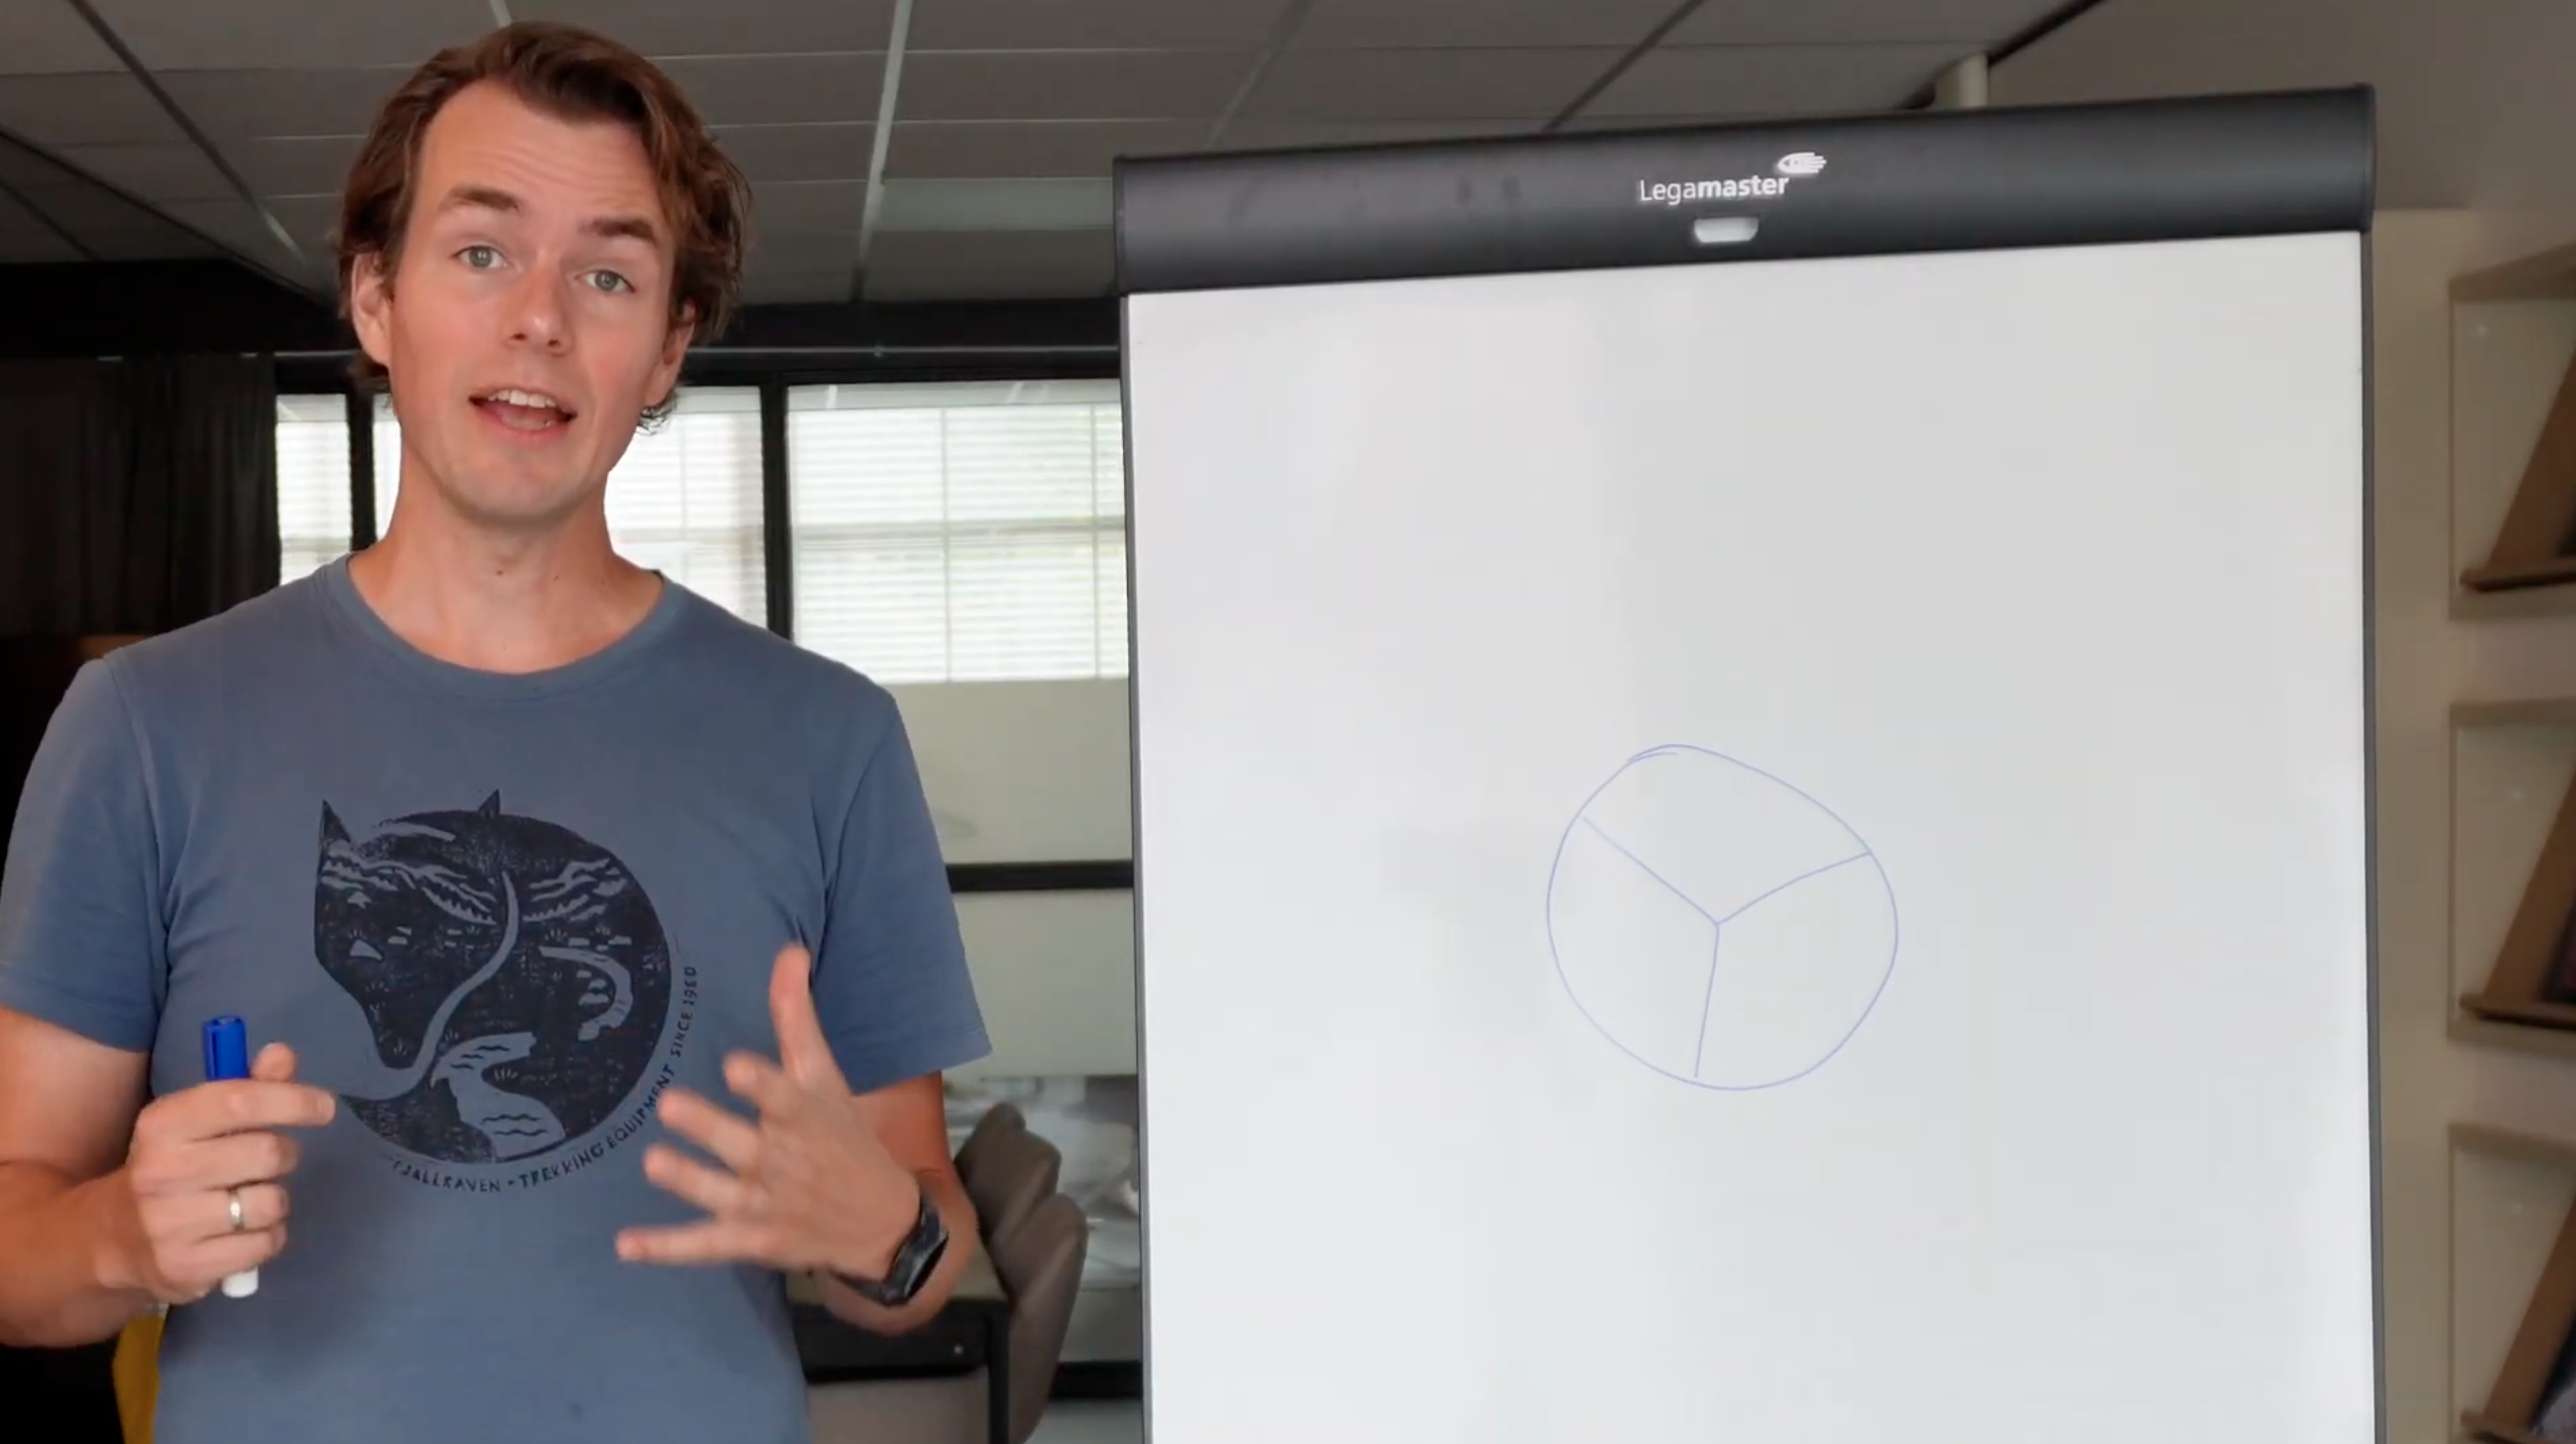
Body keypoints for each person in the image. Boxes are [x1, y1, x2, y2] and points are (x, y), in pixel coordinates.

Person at [0, 21, 990, 1443]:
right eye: (481, 251)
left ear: (667, 349)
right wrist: (120, 1236)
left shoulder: (827, 738)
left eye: (609, 273)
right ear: (375, 298)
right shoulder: (147, 727)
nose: (542, 319)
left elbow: (926, 1244)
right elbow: (17, 1240)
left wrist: (887, 1230)